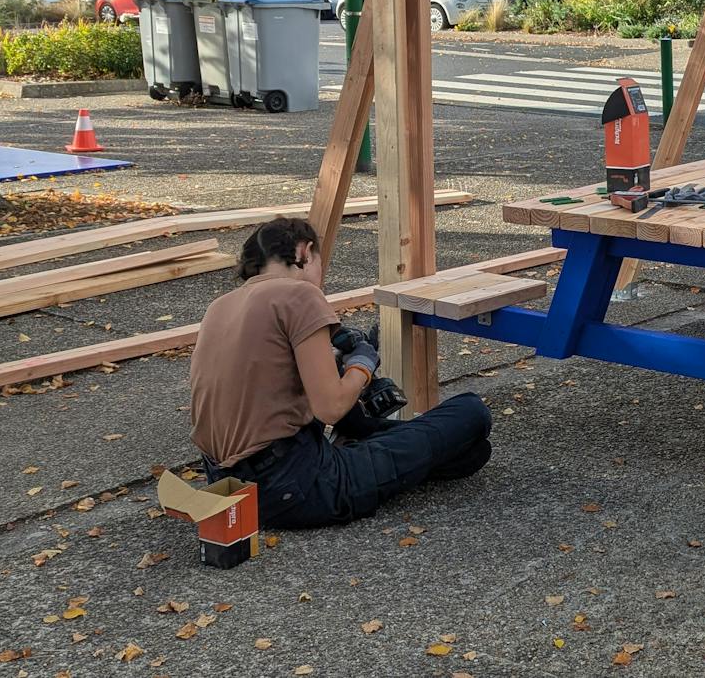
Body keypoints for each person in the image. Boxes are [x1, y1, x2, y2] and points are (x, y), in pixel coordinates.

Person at [189, 217, 492, 528]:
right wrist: (362, 364)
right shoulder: (299, 294)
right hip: (295, 487)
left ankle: (372, 445)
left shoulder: (219, 307)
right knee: (471, 412)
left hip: (227, 486)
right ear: (304, 252)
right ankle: (372, 452)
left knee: (472, 453)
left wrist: (334, 361)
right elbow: (331, 408)